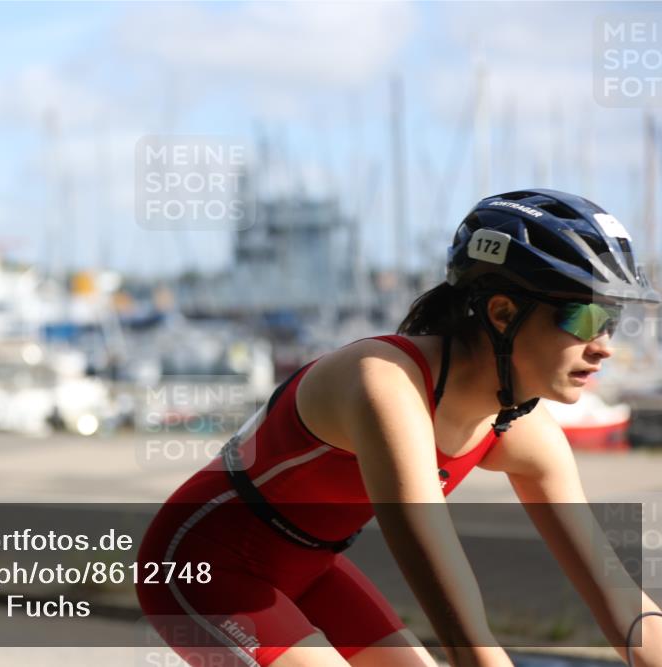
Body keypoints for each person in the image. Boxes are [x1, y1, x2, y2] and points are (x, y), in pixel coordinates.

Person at [136, 189, 662, 667]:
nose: (605, 345)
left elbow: (615, 594)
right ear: (502, 311)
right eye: (584, 319)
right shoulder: (385, 384)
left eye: (612, 321)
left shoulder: (525, 430)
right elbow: (461, 623)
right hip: (202, 565)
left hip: (312, 568)